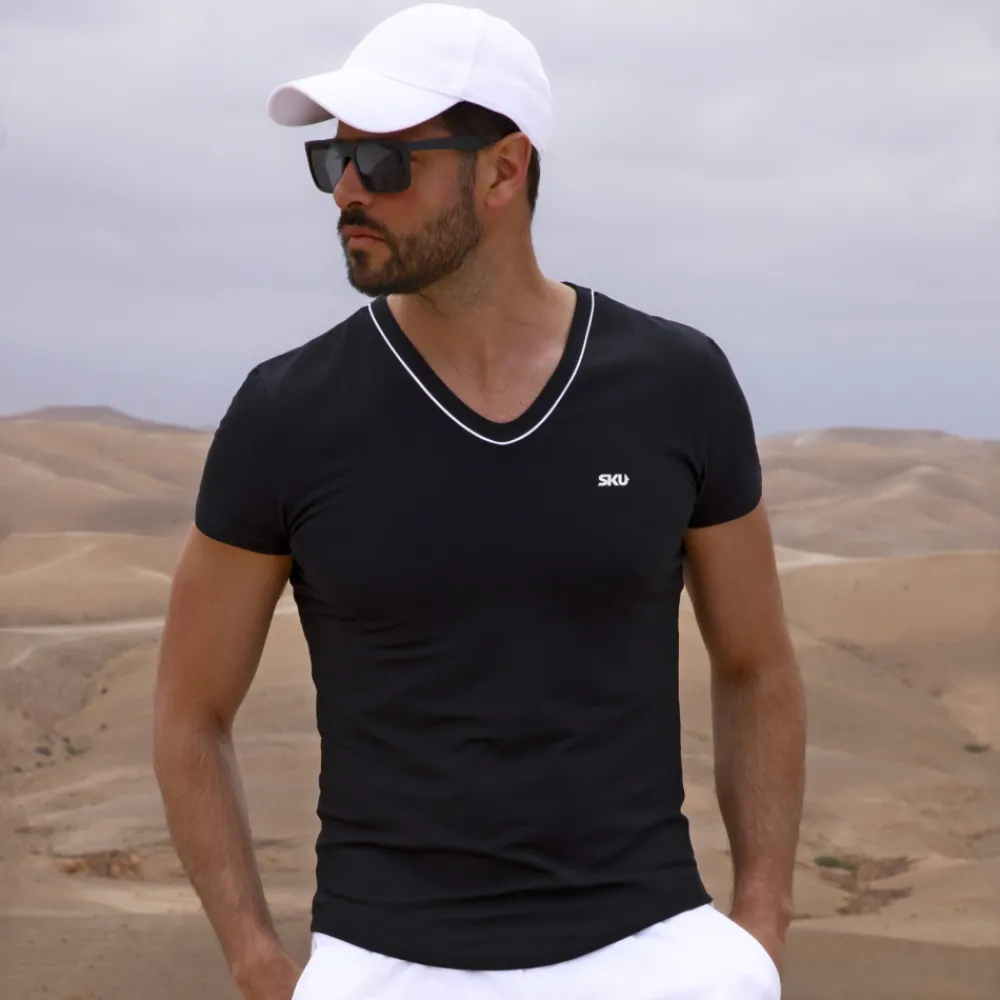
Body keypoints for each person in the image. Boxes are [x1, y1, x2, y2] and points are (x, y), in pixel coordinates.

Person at [152, 4, 807, 999]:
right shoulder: (286, 413)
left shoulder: (678, 384)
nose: (348, 191)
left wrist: (759, 926)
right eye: (334, 161)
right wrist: (259, 964)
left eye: (384, 162)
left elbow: (756, 667)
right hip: (386, 965)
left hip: (656, 953)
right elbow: (189, 711)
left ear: (503, 170)